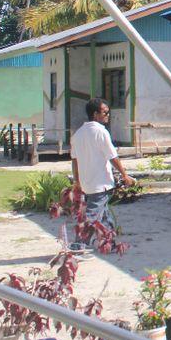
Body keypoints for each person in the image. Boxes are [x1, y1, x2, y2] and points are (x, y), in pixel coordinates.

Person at [71, 97, 135, 238]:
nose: (108, 115)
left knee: (104, 216)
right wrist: (125, 175)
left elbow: (74, 161)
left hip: (87, 184)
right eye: (105, 112)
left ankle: (109, 242)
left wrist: (77, 180)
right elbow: (112, 157)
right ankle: (78, 243)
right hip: (100, 184)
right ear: (95, 114)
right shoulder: (101, 132)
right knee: (92, 216)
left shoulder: (78, 134)